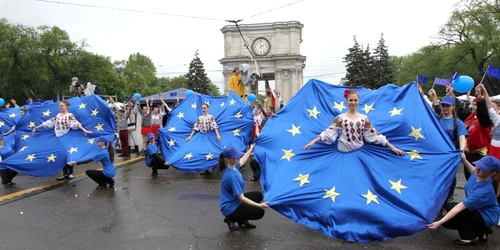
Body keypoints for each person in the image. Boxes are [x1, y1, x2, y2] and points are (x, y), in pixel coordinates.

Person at [303, 89, 405, 155]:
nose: (353, 103)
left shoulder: (364, 119)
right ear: (346, 101)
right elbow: (329, 132)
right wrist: (314, 141)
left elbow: (374, 135)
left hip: (359, 153)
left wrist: (392, 147)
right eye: (351, 100)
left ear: (358, 101)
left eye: (355, 100)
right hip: (342, 154)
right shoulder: (340, 118)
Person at [428, 154, 500, 246]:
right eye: (478, 165)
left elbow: (459, 207)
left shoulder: (484, 191)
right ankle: (482, 230)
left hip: (487, 216)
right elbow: (472, 170)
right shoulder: (479, 174)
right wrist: (464, 160)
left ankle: (470, 237)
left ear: (492, 173)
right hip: (479, 212)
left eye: (482, 168)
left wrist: (439, 222)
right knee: (450, 207)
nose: (477, 169)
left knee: (451, 220)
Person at [31, 100, 93, 180]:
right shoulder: (58, 115)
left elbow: (75, 123)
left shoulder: (70, 115)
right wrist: (36, 128)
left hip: (67, 138)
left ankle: (70, 173)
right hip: (59, 138)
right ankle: (64, 173)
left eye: (62, 106)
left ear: (66, 107)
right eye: (59, 106)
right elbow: (48, 123)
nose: (60, 107)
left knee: (68, 154)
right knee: (62, 155)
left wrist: (84, 130)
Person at [219, 145, 269, 231]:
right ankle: (231, 219)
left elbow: (242, 160)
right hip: (230, 208)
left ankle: (242, 220)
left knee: (258, 195)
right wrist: (259, 205)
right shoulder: (232, 177)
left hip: (234, 201)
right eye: (235, 157)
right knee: (259, 212)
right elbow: (241, 198)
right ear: (228, 159)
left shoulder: (233, 167)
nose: (238, 158)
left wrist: (251, 148)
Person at [186, 103, 222, 175]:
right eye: (202, 108)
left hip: (209, 136)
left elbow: (214, 126)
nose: (203, 109)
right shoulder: (199, 118)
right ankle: (203, 168)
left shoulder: (211, 117)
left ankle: (209, 168)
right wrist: (190, 136)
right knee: (201, 152)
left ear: (207, 109)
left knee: (209, 152)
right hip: (201, 136)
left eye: (205, 108)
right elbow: (195, 128)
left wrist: (218, 135)